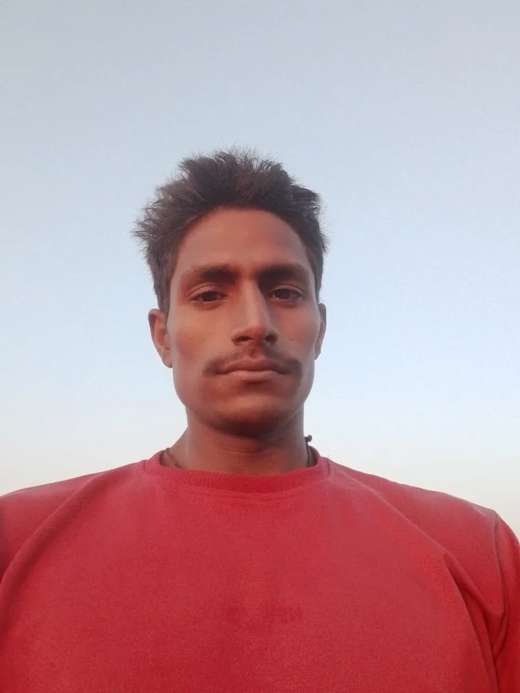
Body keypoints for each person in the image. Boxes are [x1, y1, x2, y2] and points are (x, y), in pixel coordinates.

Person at [0, 150, 518, 692]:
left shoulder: (479, 553)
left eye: (284, 292)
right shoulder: (17, 541)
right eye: (209, 295)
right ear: (162, 336)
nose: (254, 323)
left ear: (320, 328)